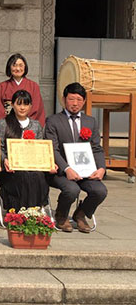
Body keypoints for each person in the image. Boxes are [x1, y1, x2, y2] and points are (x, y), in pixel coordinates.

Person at [44, 82, 107, 233]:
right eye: (71, 99)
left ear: (84, 101)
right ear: (64, 99)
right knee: (72, 189)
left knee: (100, 191)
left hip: (85, 171)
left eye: (79, 100)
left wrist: (101, 168)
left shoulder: (90, 122)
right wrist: (67, 169)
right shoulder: (53, 120)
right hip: (61, 171)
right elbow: (53, 149)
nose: (75, 103)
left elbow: (96, 148)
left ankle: (81, 214)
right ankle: (61, 215)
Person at [0, 90, 51, 211]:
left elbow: (41, 148)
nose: (22, 107)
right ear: (12, 105)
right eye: (19, 104)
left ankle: (34, 211)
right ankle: (21, 211)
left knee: (39, 176)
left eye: (25, 104)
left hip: (32, 166)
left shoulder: (36, 125)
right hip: (11, 168)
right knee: (23, 176)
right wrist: (4, 160)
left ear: (31, 106)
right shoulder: (3, 124)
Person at [0, 53, 45, 129]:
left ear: (25, 67)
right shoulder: (2, 86)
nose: (18, 69)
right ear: (9, 67)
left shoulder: (33, 86)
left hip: (28, 127)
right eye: (14, 65)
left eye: (21, 65)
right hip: (7, 127)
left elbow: (37, 108)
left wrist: (26, 124)